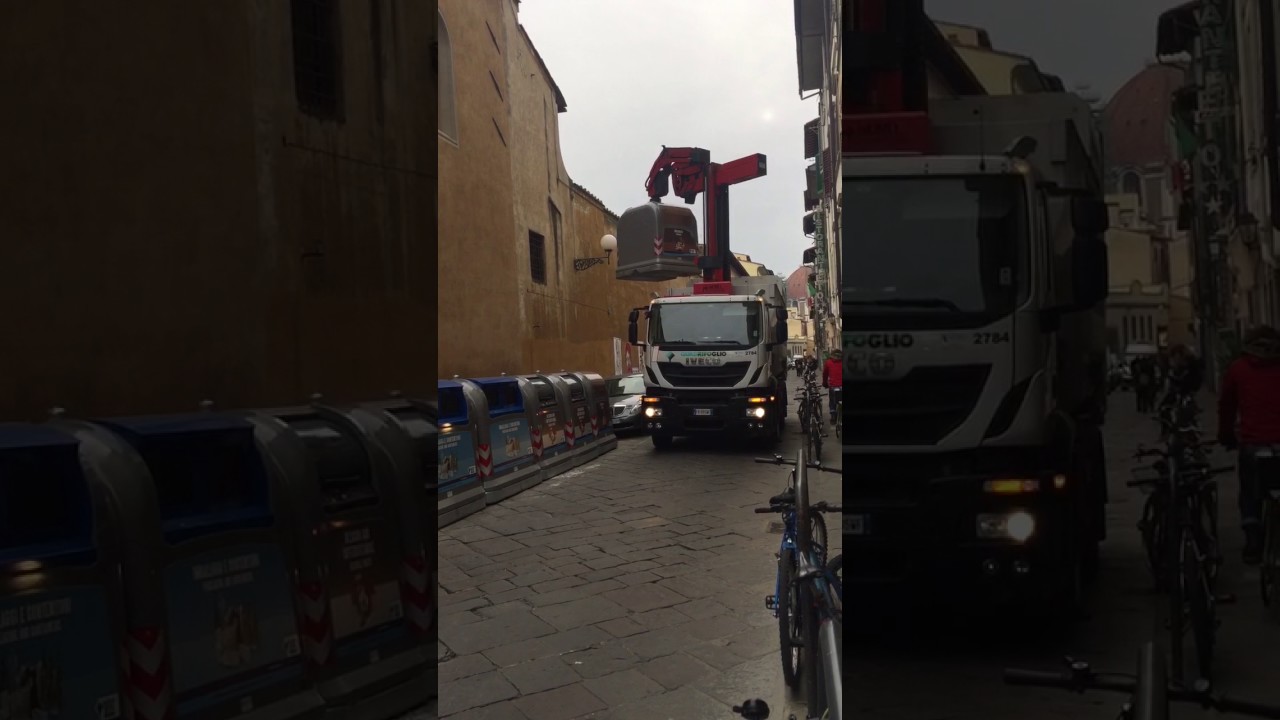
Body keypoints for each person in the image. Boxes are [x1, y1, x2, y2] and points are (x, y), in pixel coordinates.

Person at [1217, 326, 1280, 564]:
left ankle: (1253, 537)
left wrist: (1226, 436)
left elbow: (1227, 406)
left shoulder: (1238, 369)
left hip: (1253, 442)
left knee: (1250, 490)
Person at [822, 349, 843, 425]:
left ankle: (833, 416)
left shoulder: (828, 362)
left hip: (833, 386)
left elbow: (825, 374)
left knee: (832, 401)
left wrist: (824, 383)